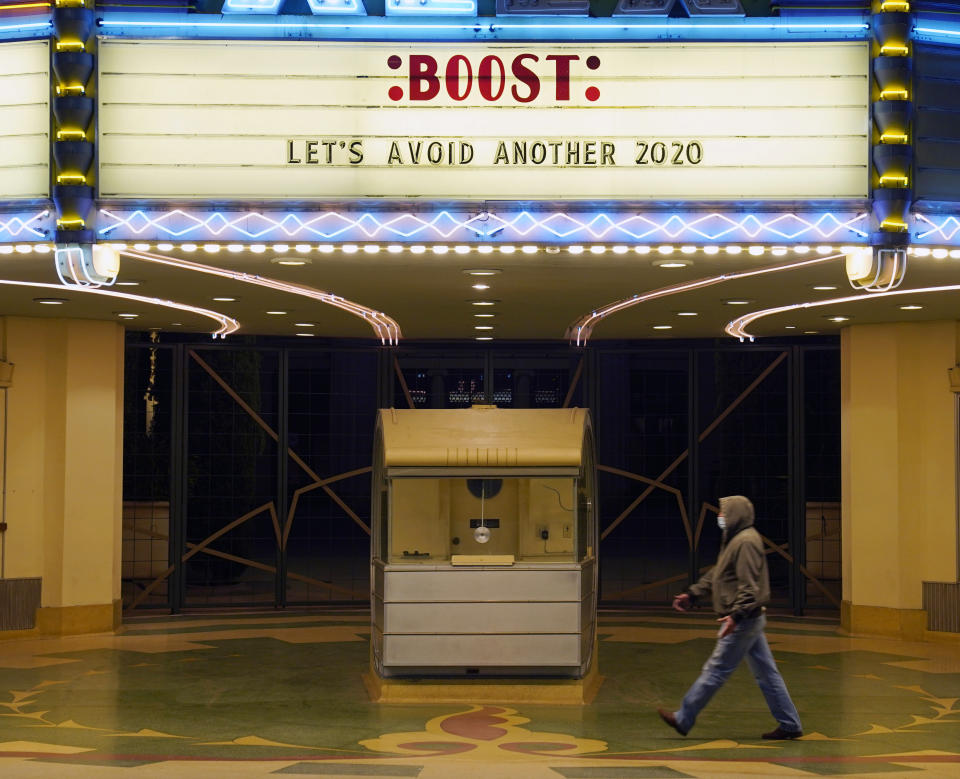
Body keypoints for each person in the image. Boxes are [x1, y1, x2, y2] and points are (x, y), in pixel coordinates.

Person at [657, 495, 803, 740]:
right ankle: (790, 724)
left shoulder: (746, 542)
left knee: (716, 670)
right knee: (767, 673)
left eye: (723, 512)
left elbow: (749, 586)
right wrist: (693, 594)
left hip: (743, 619)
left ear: (735, 514)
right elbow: (719, 574)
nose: (719, 517)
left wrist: (736, 616)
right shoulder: (735, 539)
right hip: (750, 617)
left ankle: (683, 718)